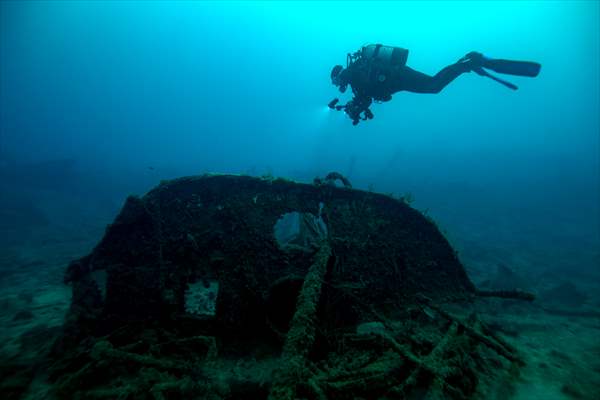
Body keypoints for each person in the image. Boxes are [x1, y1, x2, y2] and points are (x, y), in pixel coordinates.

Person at [329, 44, 541, 125]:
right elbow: (366, 97)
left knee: (433, 86)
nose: (338, 85)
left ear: (339, 75)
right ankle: (464, 63)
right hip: (397, 79)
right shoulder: (357, 76)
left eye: (336, 81)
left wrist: (354, 107)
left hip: (398, 78)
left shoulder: (350, 73)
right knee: (433, 85)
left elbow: (364, 93)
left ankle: (468, 62)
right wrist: (355, 109)